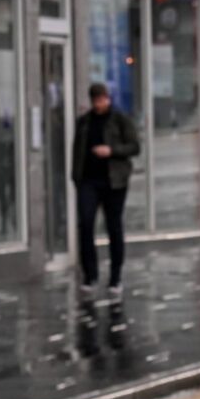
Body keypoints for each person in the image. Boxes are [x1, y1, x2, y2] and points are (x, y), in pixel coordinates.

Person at [71, 83, 141, 300]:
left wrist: (111, 151)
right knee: (85, 224)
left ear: (107, 98)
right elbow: (77, 150)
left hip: (114, 181)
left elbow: (135, 147)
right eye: (95, 100)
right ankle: (89, 275)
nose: (99, 103)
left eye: (102, 99)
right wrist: (76, 176)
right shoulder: (84, 122)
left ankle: (115, 277)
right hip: (89, 181)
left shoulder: (120, 119)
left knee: (113, 226)